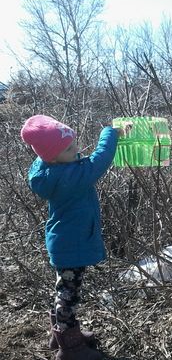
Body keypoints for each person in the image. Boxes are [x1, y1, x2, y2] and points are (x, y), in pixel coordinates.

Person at [20, 114, 125, 360]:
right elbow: (98, 162)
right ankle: (70, 349)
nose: (76, 149)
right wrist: (111, 133)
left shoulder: (52, 170)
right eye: (69, 148)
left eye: (74, 142)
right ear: (54, 157)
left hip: (64, 242)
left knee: (64, 290)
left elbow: (77, 159)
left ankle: (61, 336)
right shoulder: (70, 176)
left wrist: (63, 148)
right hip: (71, 245)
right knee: (68, 296)